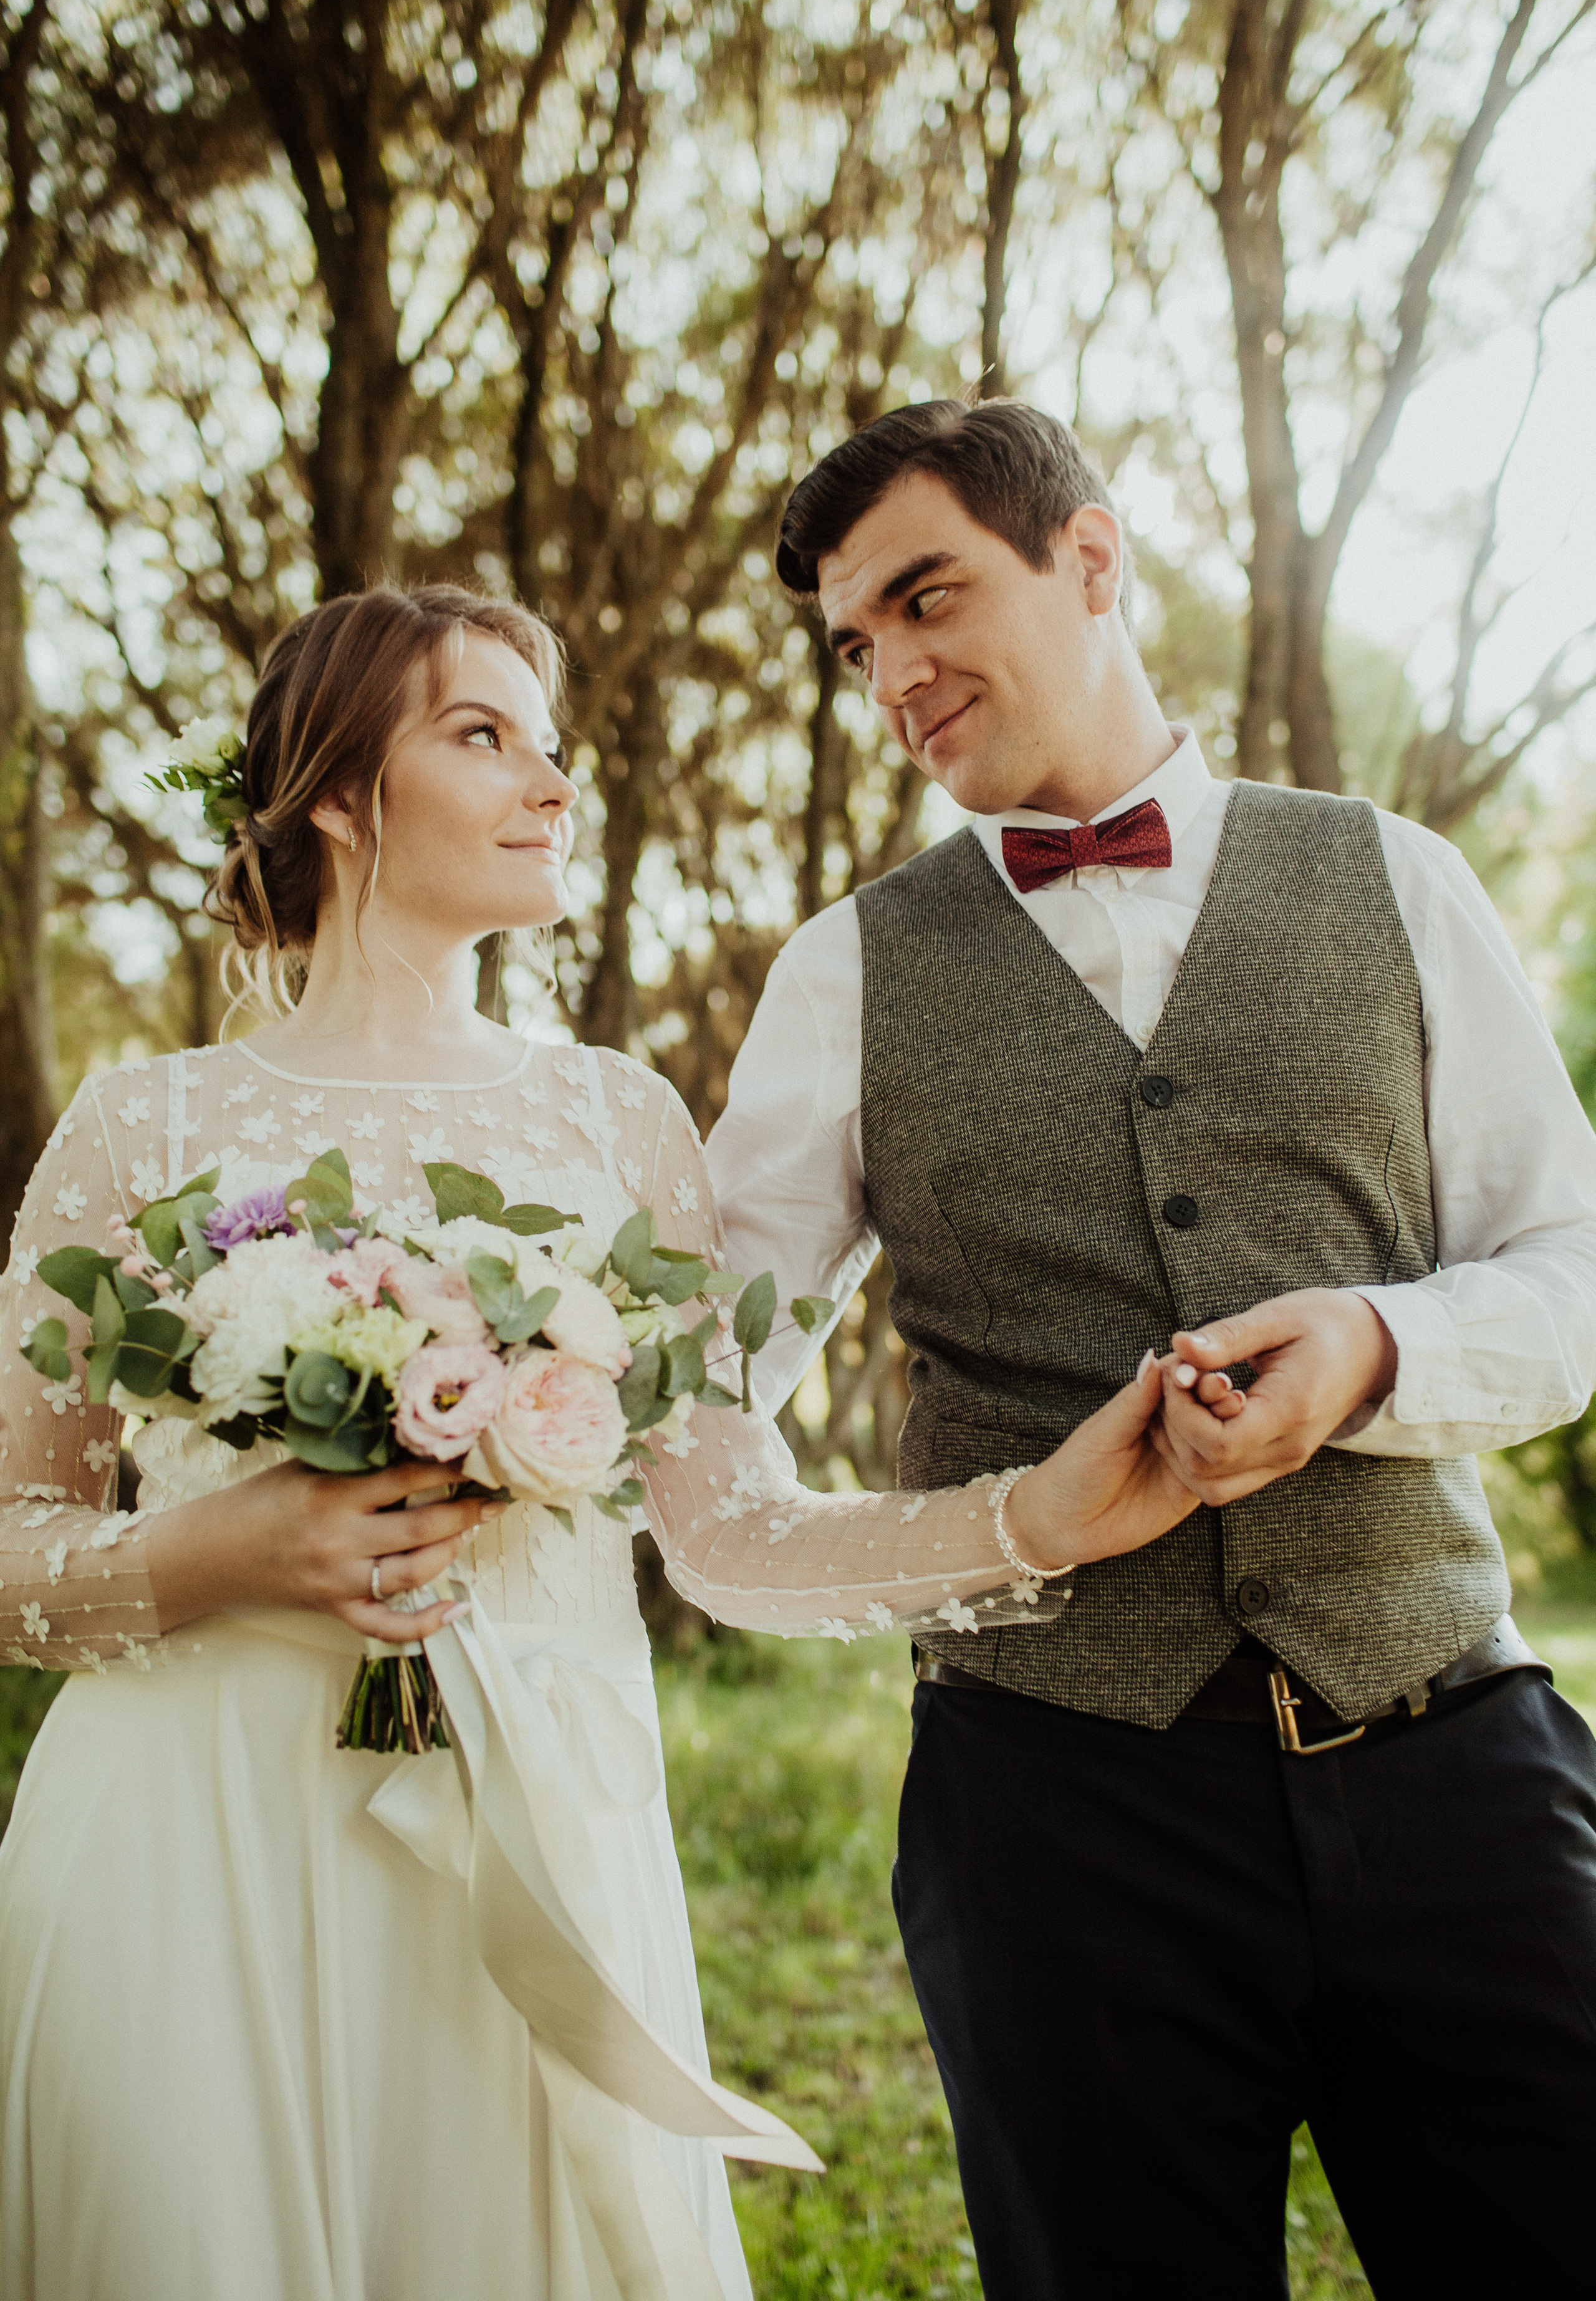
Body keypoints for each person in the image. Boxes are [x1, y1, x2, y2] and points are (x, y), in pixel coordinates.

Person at [0, 579, 1233, 2301]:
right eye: (482, 735)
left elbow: (731, 1535)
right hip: (195, 1834)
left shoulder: (616, 1119)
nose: (553, 783)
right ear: (342, 794)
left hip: (543, 1831)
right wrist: (221, 1550)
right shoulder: (146, 1126)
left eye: (555, 745)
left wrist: (1037, 1519)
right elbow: (12, 1548)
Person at [705, 398, 1596, 2300]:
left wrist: (1373, 1348)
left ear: (1093, 561)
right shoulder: (843, 974)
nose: (893, 677)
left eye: (928, 600)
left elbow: (1573, 1269)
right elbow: (698, 1390)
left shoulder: (1398, 876)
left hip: (1455, 1755)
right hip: (1054, 1804)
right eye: (856, 645)